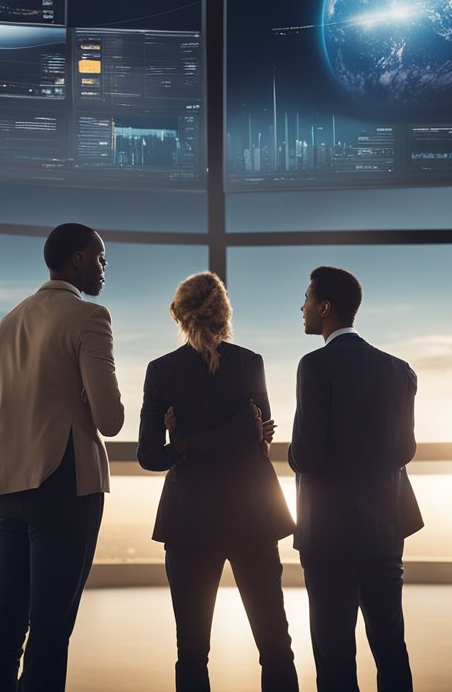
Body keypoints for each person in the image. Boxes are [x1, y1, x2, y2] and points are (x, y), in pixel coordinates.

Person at [0, 223, 125, 692]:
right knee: (50, 630)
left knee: (6, 628)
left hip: (10, 487)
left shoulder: (9, 322)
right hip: (64, 485)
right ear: (78, 260)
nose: (104, 269)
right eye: (100, 258)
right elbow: (110, 418)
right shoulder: (89, 317)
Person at [137, 271, 298, 692]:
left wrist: (184, 444)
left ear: (179, 315)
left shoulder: (160, 371)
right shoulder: (250, 363)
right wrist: (237, 434)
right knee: (275, 644)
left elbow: (150, 456)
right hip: (253, 515)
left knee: (191, 650)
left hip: (189, 520)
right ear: (224, 314)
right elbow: (257, 437)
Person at [290, 266, 423, 692]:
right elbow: (405, 452)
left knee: (334, 657)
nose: (303, 308)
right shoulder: (399, 369)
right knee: (391, 647)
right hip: (385, 529)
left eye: (307, 300)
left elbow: (304, 457)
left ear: (325, 307)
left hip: (328, 534)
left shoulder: (315, 366)